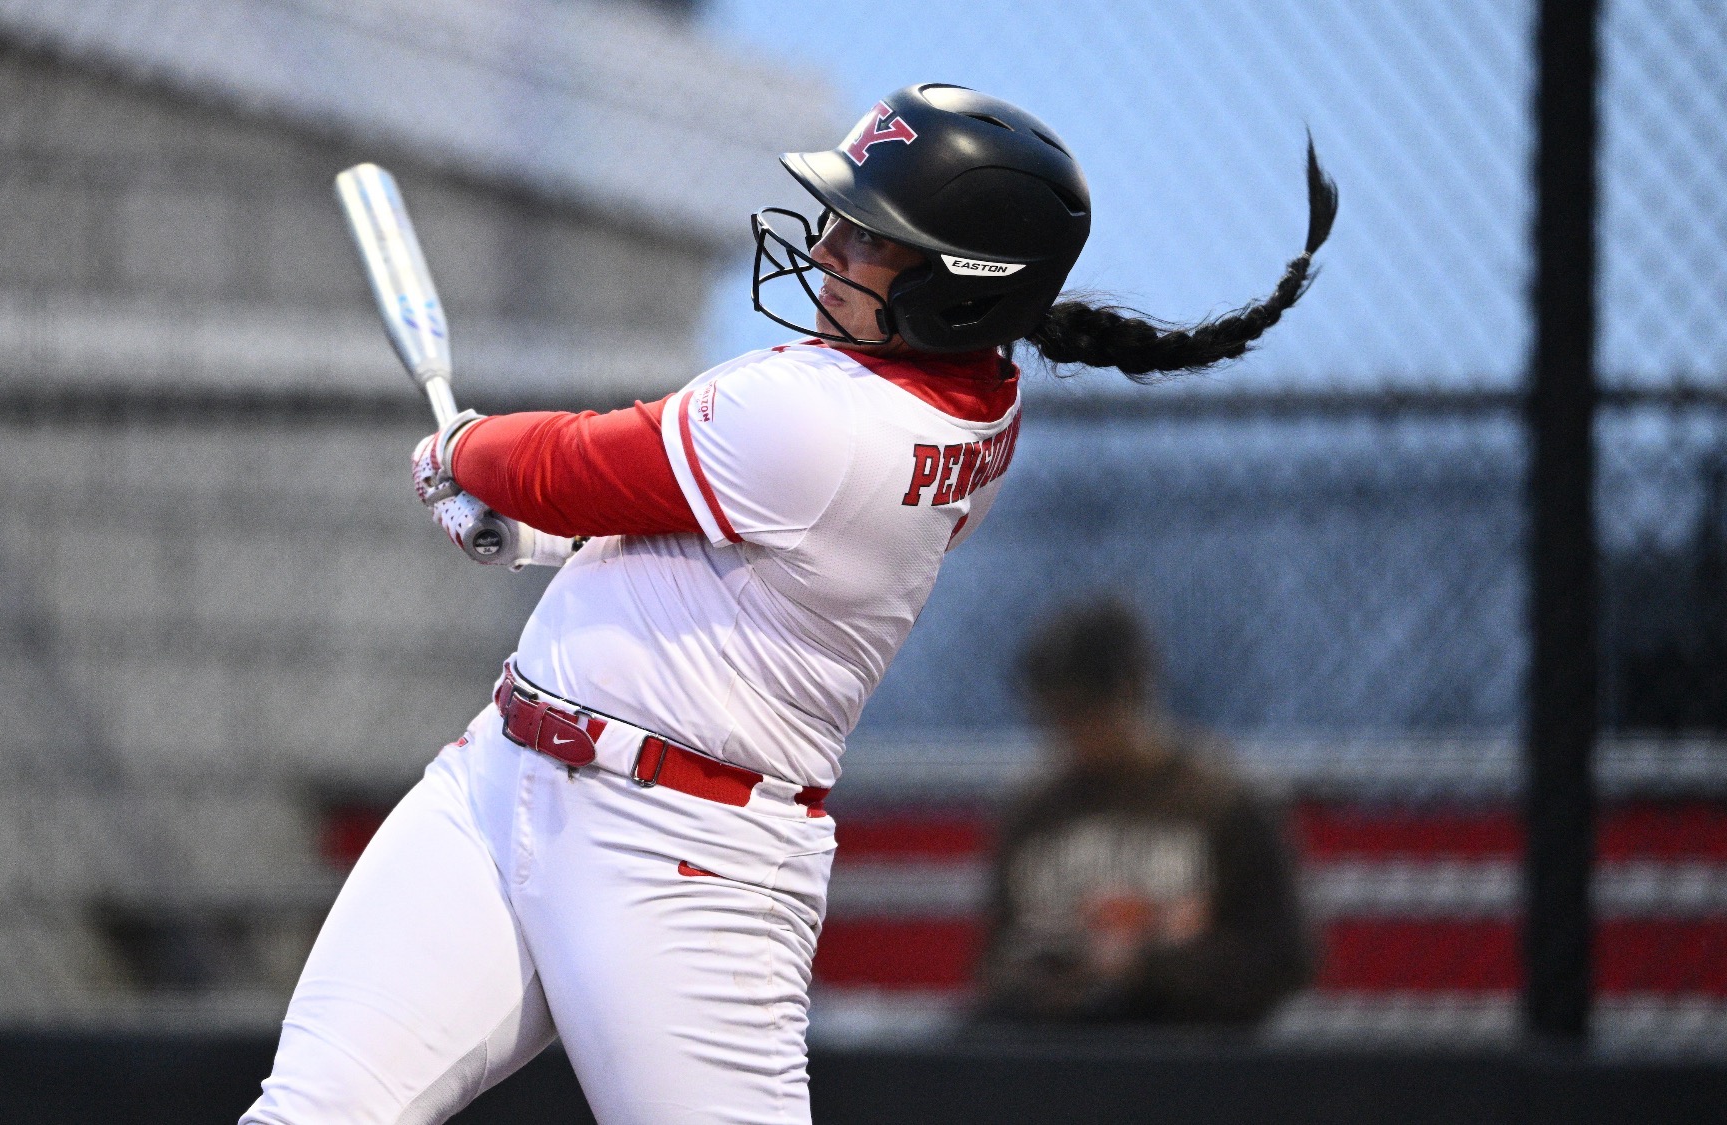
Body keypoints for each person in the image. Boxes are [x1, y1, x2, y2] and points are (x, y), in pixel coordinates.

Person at [243, 84, 1337, 1124]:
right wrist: (527, 525)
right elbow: (698, 527)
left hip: (678, 856)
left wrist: (461, 451)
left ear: (958, 282)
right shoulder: (965, 401)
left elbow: (563, 463)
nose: (826, 249)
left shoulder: (821, 421)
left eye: (869, 237)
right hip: (499, 782)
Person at [975, 598, 1313, 1028]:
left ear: (1132, 691)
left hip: (1186, 1044)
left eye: (1086, 713)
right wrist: (1047, 976)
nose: (1071, 735)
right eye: (1054, 718)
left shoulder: (1221, 801)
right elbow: (995, 960)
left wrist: (1140, 966)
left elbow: (1284, 959)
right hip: (1058, 1046)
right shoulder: (1036, 810)